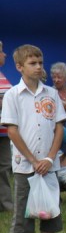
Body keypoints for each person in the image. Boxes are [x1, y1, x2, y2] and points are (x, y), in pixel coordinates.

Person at [1, 45, 66, 233]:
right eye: (32, 63)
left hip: (48, 165)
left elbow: (59, 127)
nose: (38, 67)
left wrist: (49, 157)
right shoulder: (13, 95)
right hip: (24, 165)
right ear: (19, 67)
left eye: (40, 62)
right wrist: (32, 159)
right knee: (23, 216)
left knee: (50, 212)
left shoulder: (51, 93)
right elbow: (12, 131)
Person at [0, 40, 14, 212]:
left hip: (4, 131)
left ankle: (5, 204)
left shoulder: (2, 75)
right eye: (2, 51)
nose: (4, 54)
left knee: (4, 168)